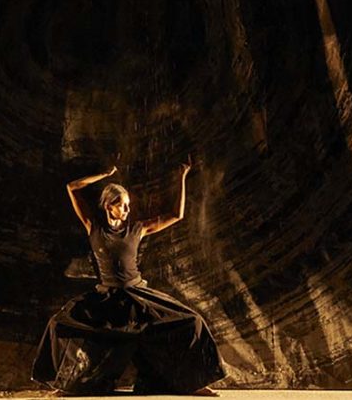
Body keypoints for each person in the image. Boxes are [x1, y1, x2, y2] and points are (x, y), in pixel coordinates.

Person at [31, 161, 226, 395]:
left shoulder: (137, 229)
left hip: (137, 294)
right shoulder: (93, 226)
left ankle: (195, 384)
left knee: (192, 321)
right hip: (107, 297)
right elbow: (72, 187)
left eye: (128, 206)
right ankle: (67, 386)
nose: (127, 211)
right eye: (122, 206)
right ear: (108, 206)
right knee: (59, 324)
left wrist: (181, 178)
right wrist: (102, 174)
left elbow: (177, 215)